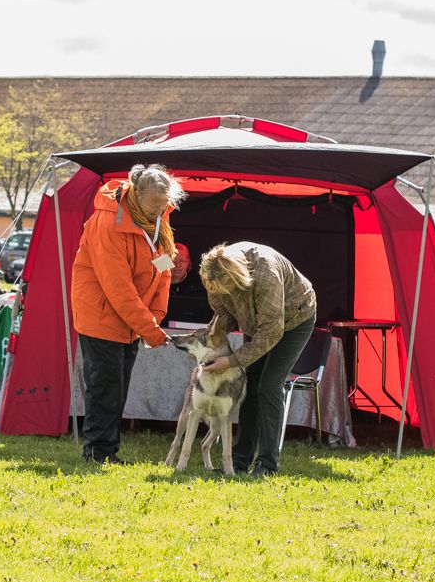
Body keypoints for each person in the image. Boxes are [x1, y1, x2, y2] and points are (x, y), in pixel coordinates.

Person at [71, 163, 185, 465]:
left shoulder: (160, 219)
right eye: (153, 207)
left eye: (164, 207)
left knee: (118, 386)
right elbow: (118, 290)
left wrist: (156, 315)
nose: (158, 213)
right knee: (105, 386)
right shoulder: (107, 224)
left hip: (131, 322)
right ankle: (97, 452)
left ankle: (106, 450)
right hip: (101, 317)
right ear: (136, 195)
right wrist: (150, 328)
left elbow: (163, 269)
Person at [200, 242, 317, 477]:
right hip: (257, 321)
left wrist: (231, 361)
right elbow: (225, 312)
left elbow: (271, 332)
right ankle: (239, 461)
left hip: (294, 319)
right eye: (214, 290)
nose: (218, 293)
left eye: (225, 289)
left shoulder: (266, 273)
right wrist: (215, 338)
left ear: (236, 277)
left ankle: (267, 465)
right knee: (250, 386)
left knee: (268, 386)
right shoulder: (212, 274)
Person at [165, 243, 213, 325]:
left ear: (188, 263)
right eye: (173, 260)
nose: (178, 265)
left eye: (182, 261)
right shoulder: (157, 285)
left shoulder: (201, 285)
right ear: (167, 262)